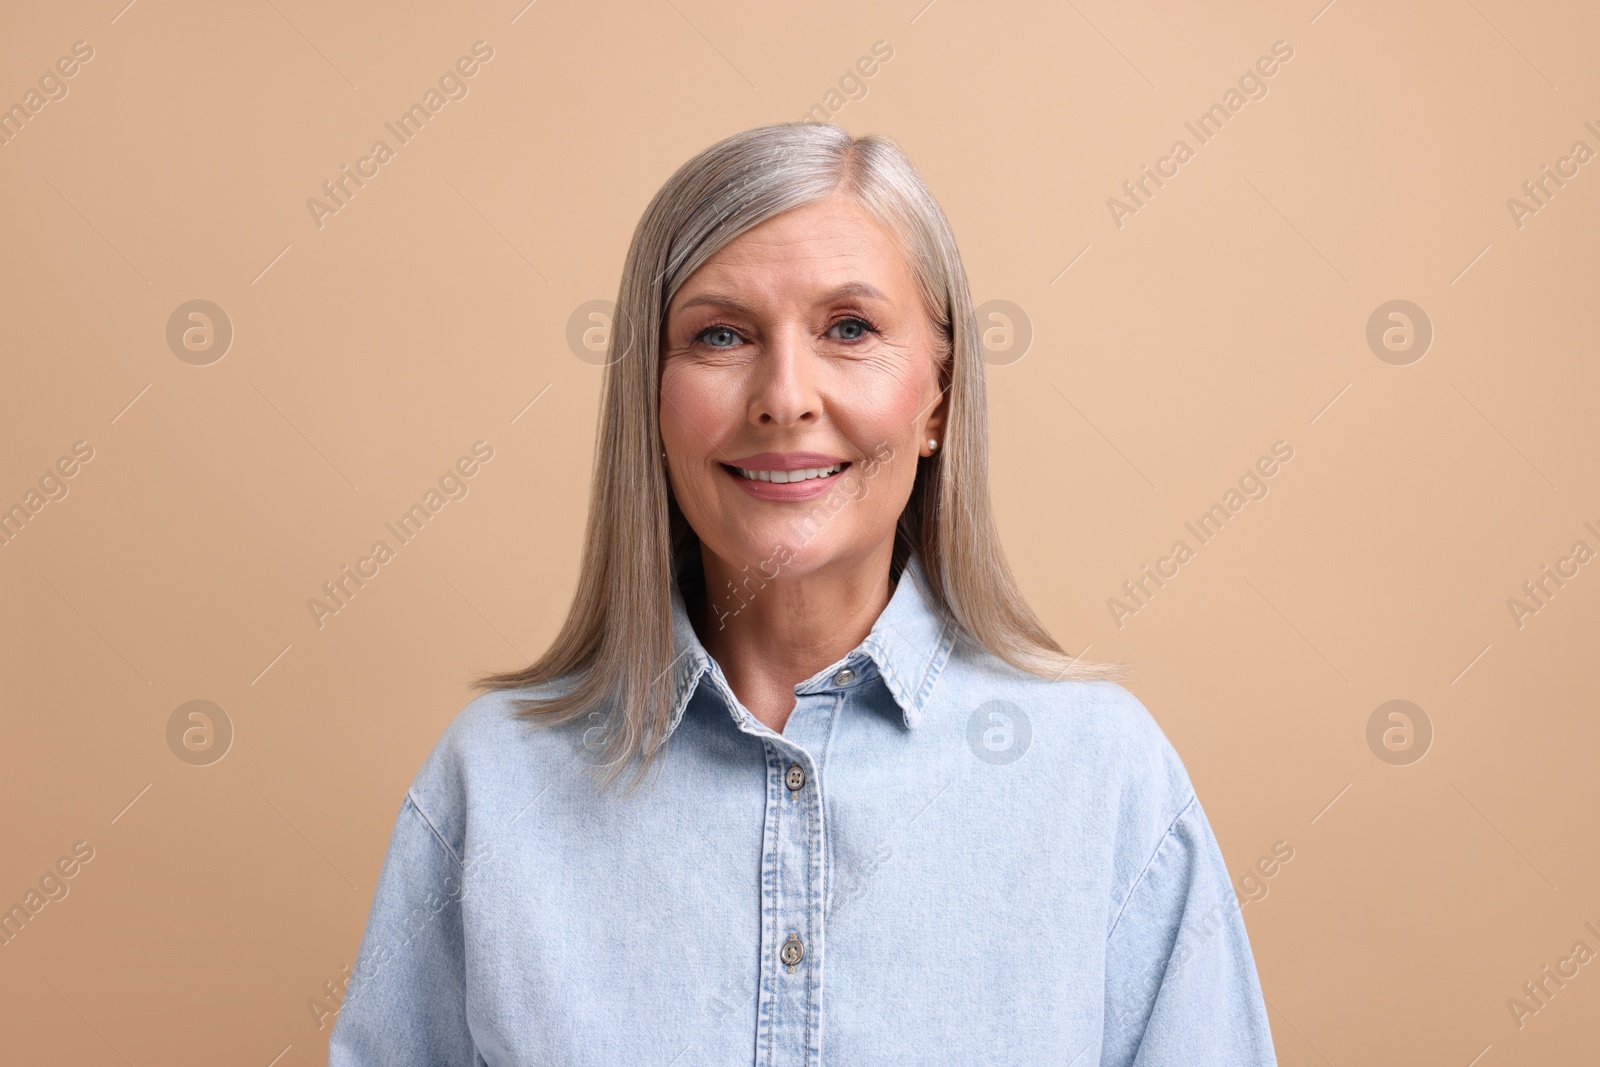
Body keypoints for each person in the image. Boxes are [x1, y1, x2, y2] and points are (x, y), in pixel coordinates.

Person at [328, 122, 1277, 1065]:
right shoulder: (492, 786)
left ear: (939, 396)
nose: (784, 396)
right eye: (721, 334)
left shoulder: (1103, 776)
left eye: (850, 329)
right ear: (652, 401)